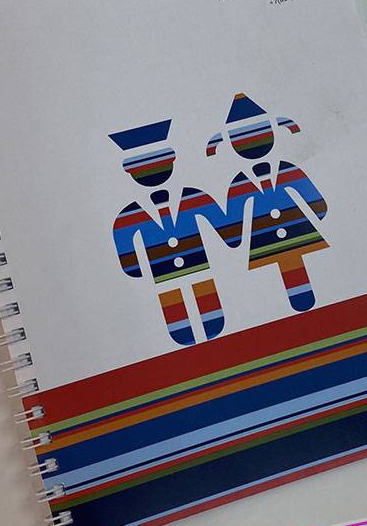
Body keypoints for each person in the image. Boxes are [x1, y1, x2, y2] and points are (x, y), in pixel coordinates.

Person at [109, 119, 241, 345]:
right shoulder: (132, 214)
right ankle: (182, 336)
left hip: (196, 263)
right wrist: (132, 265)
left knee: (207, 302)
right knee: (174, 309)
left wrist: (230, 235)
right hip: (163, 271)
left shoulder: (191, 197)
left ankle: (213, 328)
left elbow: (216, 217)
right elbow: (123, 234)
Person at [207, 93, 329, 312]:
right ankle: (300, 303)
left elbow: (312, 197)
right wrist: (233, 236)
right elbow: (235, 215)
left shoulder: (285, 169)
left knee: (295, 262)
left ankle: (305, 301)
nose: (250, 144)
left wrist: (318, 208)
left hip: (292, 227)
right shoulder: (240, 182)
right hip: (265, 234)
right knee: (286, 265)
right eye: (241, 141)